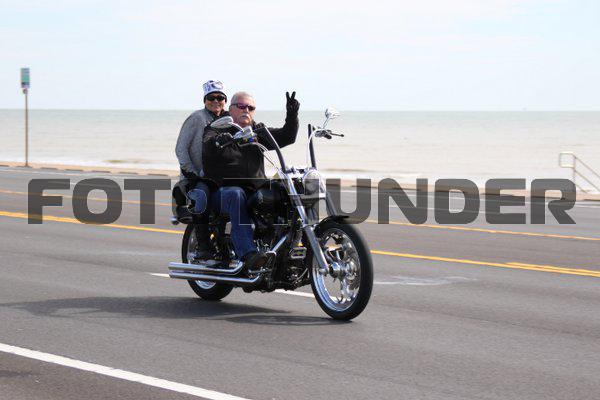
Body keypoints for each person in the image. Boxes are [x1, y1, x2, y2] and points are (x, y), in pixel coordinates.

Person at [202, 91, 300, 270]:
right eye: (241, 106)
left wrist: (292, 115)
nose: (246, 110)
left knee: (285, 189)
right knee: (236, 194)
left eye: (251, 107)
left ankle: (290, 247)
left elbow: (287, 137)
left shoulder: (257, 131)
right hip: (222, 192)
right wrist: (219, 140)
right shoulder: (217, 128)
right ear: (231, 109)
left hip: (253, 189)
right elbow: (208, 145)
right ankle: (248, 254)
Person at [175, 80, 227, 260]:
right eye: (211, 97)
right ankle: (203, 245)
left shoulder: (228, 119)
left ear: (225, 100)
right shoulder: (197, 118)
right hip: (195, 178)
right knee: (202, 195)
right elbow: (180, 148)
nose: (216, 101)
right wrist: (192, 173)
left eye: (220, 97)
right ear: (205, 100)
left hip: (217, 177)